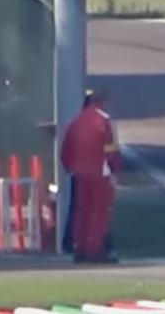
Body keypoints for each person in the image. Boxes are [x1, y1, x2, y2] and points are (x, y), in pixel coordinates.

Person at [59, 88, 124, 263]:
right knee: (99, 213)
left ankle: (79, 248)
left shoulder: (76, 122)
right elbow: (111, 150)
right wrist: (115, 169)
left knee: (82, 211)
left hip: (80, 172)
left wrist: (70, 167)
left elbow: (66, 149)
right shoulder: (104, 122)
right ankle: (95, 249)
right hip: (100, 172)